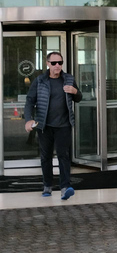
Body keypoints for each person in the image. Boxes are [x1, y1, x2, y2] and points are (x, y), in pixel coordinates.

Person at [23, 51, 83, 200]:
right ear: (48, 64)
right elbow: (30, 100)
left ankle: (65, 187)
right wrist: (28, 120)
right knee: (46, 157)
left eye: (60, 63)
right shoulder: (40, 80)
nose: (57, 66)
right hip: (44, 126)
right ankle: (47, 186)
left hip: (63, 125)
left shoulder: (68, 79)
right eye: (54, 63)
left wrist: (75, 91)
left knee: (63, 156)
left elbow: (79, 98)